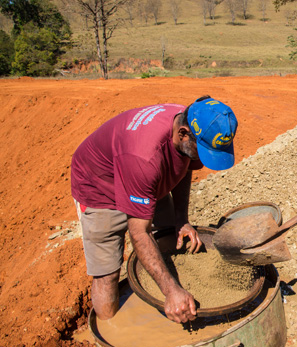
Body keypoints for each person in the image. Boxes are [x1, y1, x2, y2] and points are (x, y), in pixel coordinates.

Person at [71, 96, 238, 323]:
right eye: (203, 151)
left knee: (172, 239)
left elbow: (185, 166)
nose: (204, 160)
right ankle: (111, 325)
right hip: (101, 188)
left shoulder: (193, 123)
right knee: (107, 272)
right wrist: (171, 292)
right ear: (182, 134)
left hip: (144, 179)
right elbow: (140, 232)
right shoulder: (144, 157)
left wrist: (181, 219)